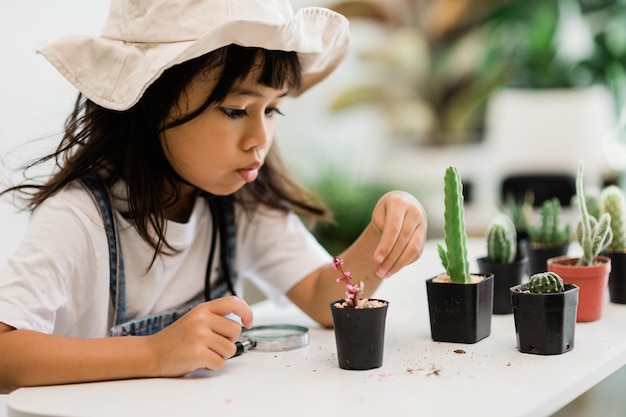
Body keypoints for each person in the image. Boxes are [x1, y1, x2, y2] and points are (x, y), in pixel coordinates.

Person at [0, 0, 427, 390]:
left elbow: (322, 296)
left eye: (272, 109)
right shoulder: (79, 219)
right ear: (150, 100)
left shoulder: (241, 201)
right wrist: (154, 353)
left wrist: (382, 233)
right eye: (236, 110)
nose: (260, 138)